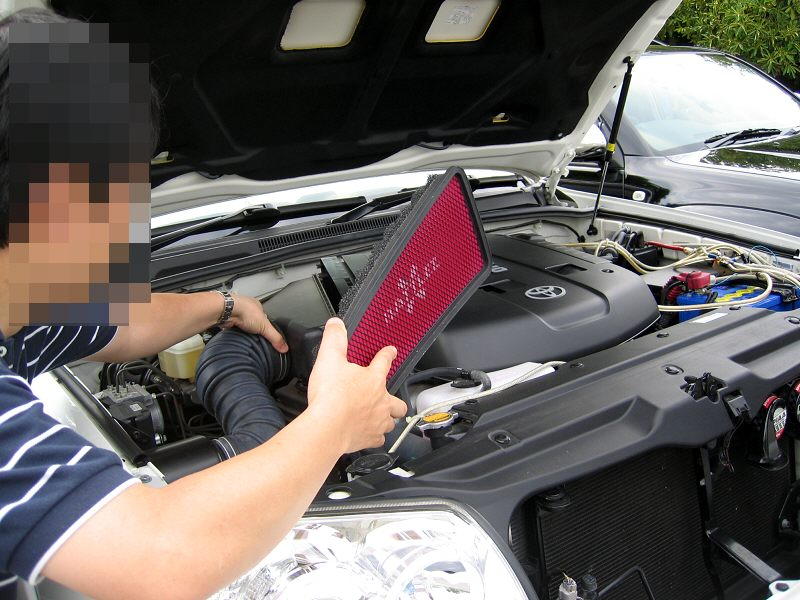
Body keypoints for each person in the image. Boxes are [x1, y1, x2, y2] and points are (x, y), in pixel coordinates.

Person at [0, 7, 407, 600]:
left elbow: (120, 324)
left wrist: (225, 306)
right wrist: (333, 426)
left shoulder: (22, 307)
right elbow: (159, 563)